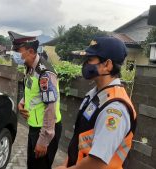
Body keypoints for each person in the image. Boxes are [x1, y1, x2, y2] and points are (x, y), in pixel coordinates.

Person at [55, 37, 137, 169]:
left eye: (90, 60)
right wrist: (67, 163)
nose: (85, 65)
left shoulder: (115, 109)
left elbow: (97, 162)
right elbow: (78, 140)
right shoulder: (94, 94)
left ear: (107, 65)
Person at [8, 30, 62, 169]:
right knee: (31, 165)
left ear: (31, 51)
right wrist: (22, 103)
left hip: (46, 130)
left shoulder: (44, 74)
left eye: (17, 50)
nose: (15, 54)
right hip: (35, 127)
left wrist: (44, 140)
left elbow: (50, 108)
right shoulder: (30, 67)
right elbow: (31, 90)